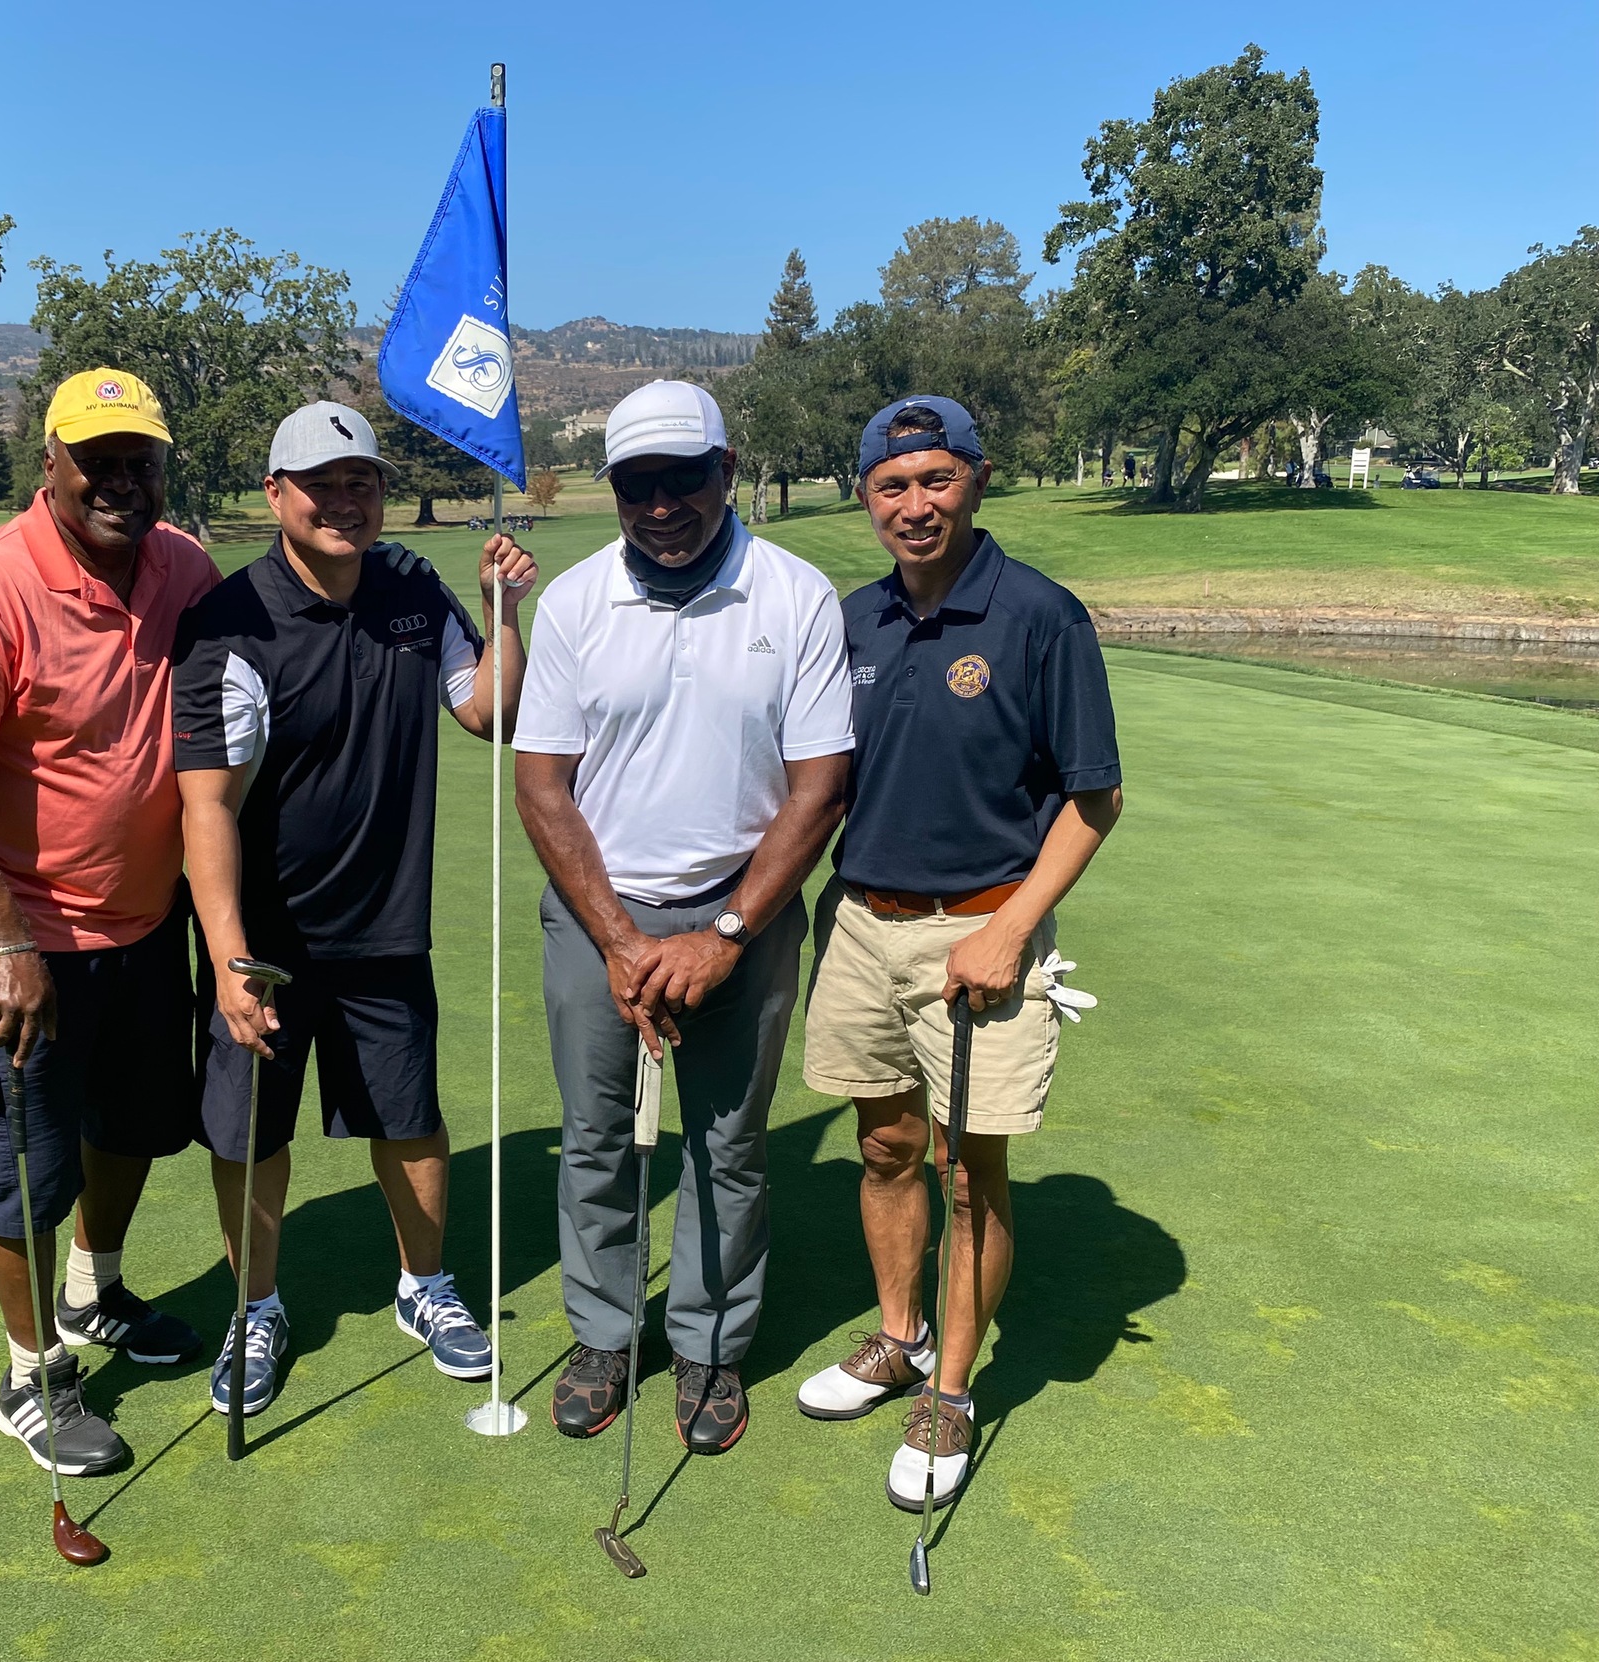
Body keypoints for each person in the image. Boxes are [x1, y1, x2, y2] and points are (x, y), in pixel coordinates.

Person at [172, 401, 536, 1419]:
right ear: (276, 495)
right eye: (321, 484)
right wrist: (233, 959)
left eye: (362, 482)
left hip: (386, 925)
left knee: (409, 1119)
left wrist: (504, 614)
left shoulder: (413, 589)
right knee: (250, 1137)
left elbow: (490, 713)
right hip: (271, 942)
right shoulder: (232, 621)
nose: (345, 501)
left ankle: (426, 1289)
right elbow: (206, 808)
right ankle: (258, 1307)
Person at [794, 395, 1122, 1514]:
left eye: (937, 479)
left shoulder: (1040, 615)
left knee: (970, 1173)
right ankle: (898, 1336)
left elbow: (1094, 800)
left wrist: (1010, 929)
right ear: (866, 498)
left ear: (977, 480)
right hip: (860, 925)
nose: (916, 504)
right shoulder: (852, 620)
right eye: (894, 486)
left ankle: (951, 1387)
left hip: (982, 930)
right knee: (885, 1146)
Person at [513, 380, 853, 1455]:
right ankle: (604, 1334)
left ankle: (709, 1346)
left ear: (728, 470)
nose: (661, 506)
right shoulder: (573, 603)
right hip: (597, 912)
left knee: (726, 1145)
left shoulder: (794, 596)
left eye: (683, 480)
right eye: (637, 486)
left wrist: (726, 935)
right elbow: (541, 785)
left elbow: (821, 785)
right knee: (598, 1142)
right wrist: (618, 938)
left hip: (742, 913)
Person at [0, 369, 217, 1478]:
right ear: (51, 465)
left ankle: (98, 1288)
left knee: (129, 1128)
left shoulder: (184, 568)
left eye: (142, 460)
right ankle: (31, 1372)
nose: (123, 481)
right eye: (99, 461)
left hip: (142, 924)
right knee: (22, 1164)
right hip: (25, 945)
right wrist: (5, 939)